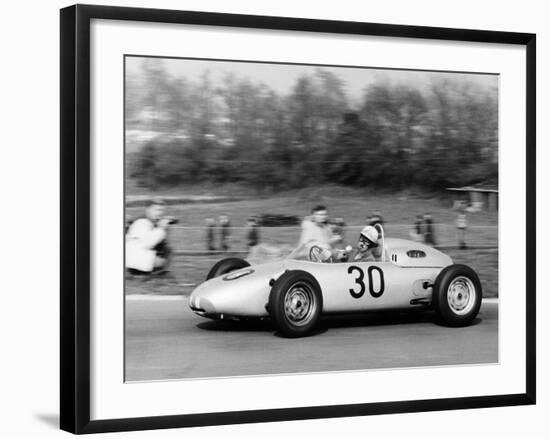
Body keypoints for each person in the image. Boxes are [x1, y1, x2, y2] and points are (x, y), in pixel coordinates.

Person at [125, 199, 174, 274]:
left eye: (161, 210)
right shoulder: (142, 222)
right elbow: (148, 244)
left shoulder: (148, 222)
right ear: (148, 210)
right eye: (156, 210)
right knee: (167, 250)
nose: (159, 213)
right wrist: (161, 228)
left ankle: (156, 271)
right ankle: (154, 272)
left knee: (166, 248)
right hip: (137, 263)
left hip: (136, 261)